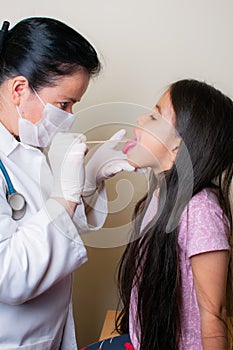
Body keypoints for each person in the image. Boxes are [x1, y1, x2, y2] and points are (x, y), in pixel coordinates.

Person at [0, 17, 134, 349]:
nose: (70, 115)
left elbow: (52, 229)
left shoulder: (28, 146)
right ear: (19, 90)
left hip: (46, 333)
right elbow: (10, 274)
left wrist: (86, 185)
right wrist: (64, 197)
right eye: (64, 104)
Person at [81, 79, 233, 350]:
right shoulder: (159, 197)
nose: (140, 118)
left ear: (177, 148)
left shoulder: (201, 210)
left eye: (154, 116)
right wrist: (89, 183)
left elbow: (214, 315)